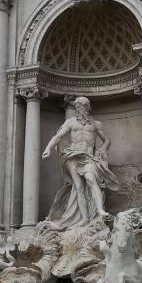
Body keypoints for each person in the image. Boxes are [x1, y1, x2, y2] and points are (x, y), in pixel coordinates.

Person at [43, 96, 120, 227]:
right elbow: (57, 137)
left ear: (88, 107)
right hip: (72, 155)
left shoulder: (96, 124)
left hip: (88, 156)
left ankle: (100, 210)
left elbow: (107, 140)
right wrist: (48, 148)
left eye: (82, 106)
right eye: (77, 106)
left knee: (91, 179)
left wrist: (103, 148)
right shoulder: (70, 122)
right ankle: (84, 218)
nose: (80, 109)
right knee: (79, 186)